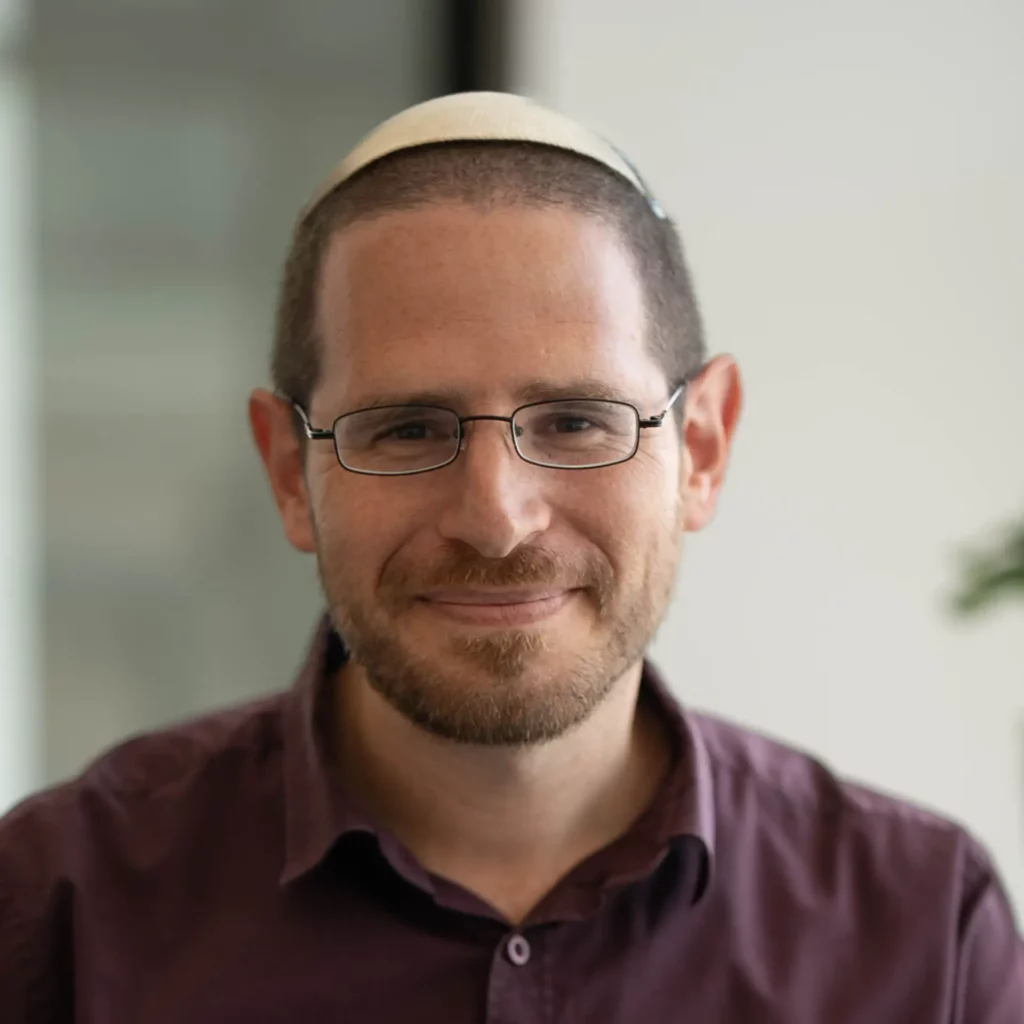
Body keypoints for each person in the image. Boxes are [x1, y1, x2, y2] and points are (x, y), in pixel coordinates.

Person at [1, 92, 1020, 1023]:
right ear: (287, 472)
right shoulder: (59, 911)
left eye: (576, 420)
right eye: (406, 429)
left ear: (702, 449)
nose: (495, 519)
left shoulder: (922, 934)